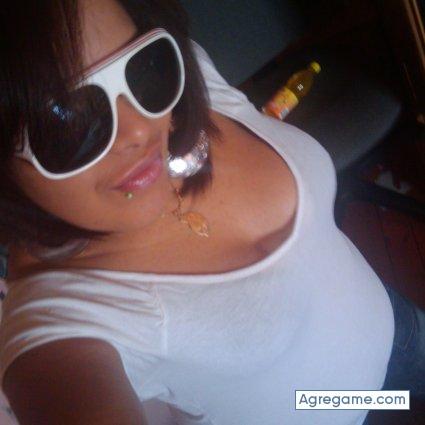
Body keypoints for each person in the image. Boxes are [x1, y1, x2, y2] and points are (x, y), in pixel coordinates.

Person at [0, 0, 423, 424]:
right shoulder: (62, 325)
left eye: (140, 65)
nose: (140, 128)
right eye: (64, 118)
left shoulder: (181, 80)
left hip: (399, 328)